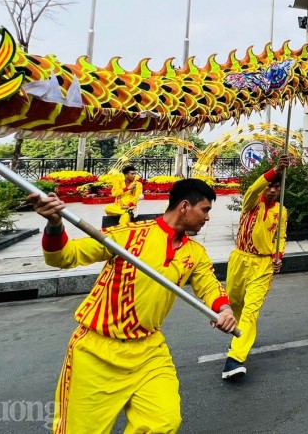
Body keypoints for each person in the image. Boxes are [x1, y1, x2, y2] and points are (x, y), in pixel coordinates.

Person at [31, 179, 237, 432]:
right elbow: (63, 257)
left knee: (162, 423)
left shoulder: (195, 252)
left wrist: (224, 310)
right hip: (97, 352)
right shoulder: (127, 235)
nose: (207, 217)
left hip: (149, 351)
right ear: (184, 206)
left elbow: (209, 285)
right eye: (205, 210)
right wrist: (54, 224)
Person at [223, 155, 290, 380]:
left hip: (263, 265)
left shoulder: (281, 211)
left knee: (251, 311)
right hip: (240, 259)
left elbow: (280, 236)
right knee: (234, 304)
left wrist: (278, 256)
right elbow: (253, 188)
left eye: (276, 187)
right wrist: (275, 169)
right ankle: (241, 336)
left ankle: (235, 359)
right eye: (270, 186)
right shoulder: (252, 201)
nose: (272, 190)